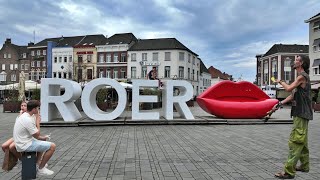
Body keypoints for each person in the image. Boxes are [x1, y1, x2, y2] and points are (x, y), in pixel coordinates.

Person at [273, 55, 313, 179]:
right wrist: (279, 104)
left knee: (295, 142)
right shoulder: (300, 78)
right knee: (303, 142)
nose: (294, 61)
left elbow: (289, 88)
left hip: (301, 114)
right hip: (302, 113)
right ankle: (305, 166)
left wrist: (280, 82)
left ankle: (288, 172)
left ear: (301, 63)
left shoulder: (302, 77)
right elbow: (292, 95)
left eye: (296, 59)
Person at [13, 100, 56, 176]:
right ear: (34, 109)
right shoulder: (27, 119)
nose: (38, 110)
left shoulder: (28, 115)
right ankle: (41, 169)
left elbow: (35, 135)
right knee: (52, 146)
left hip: (24, 140)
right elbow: (37, 134)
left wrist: (43, 137)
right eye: (38, 108)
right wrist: (38, 122)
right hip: (24, 144)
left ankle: (38, 162)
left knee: (43, 140)